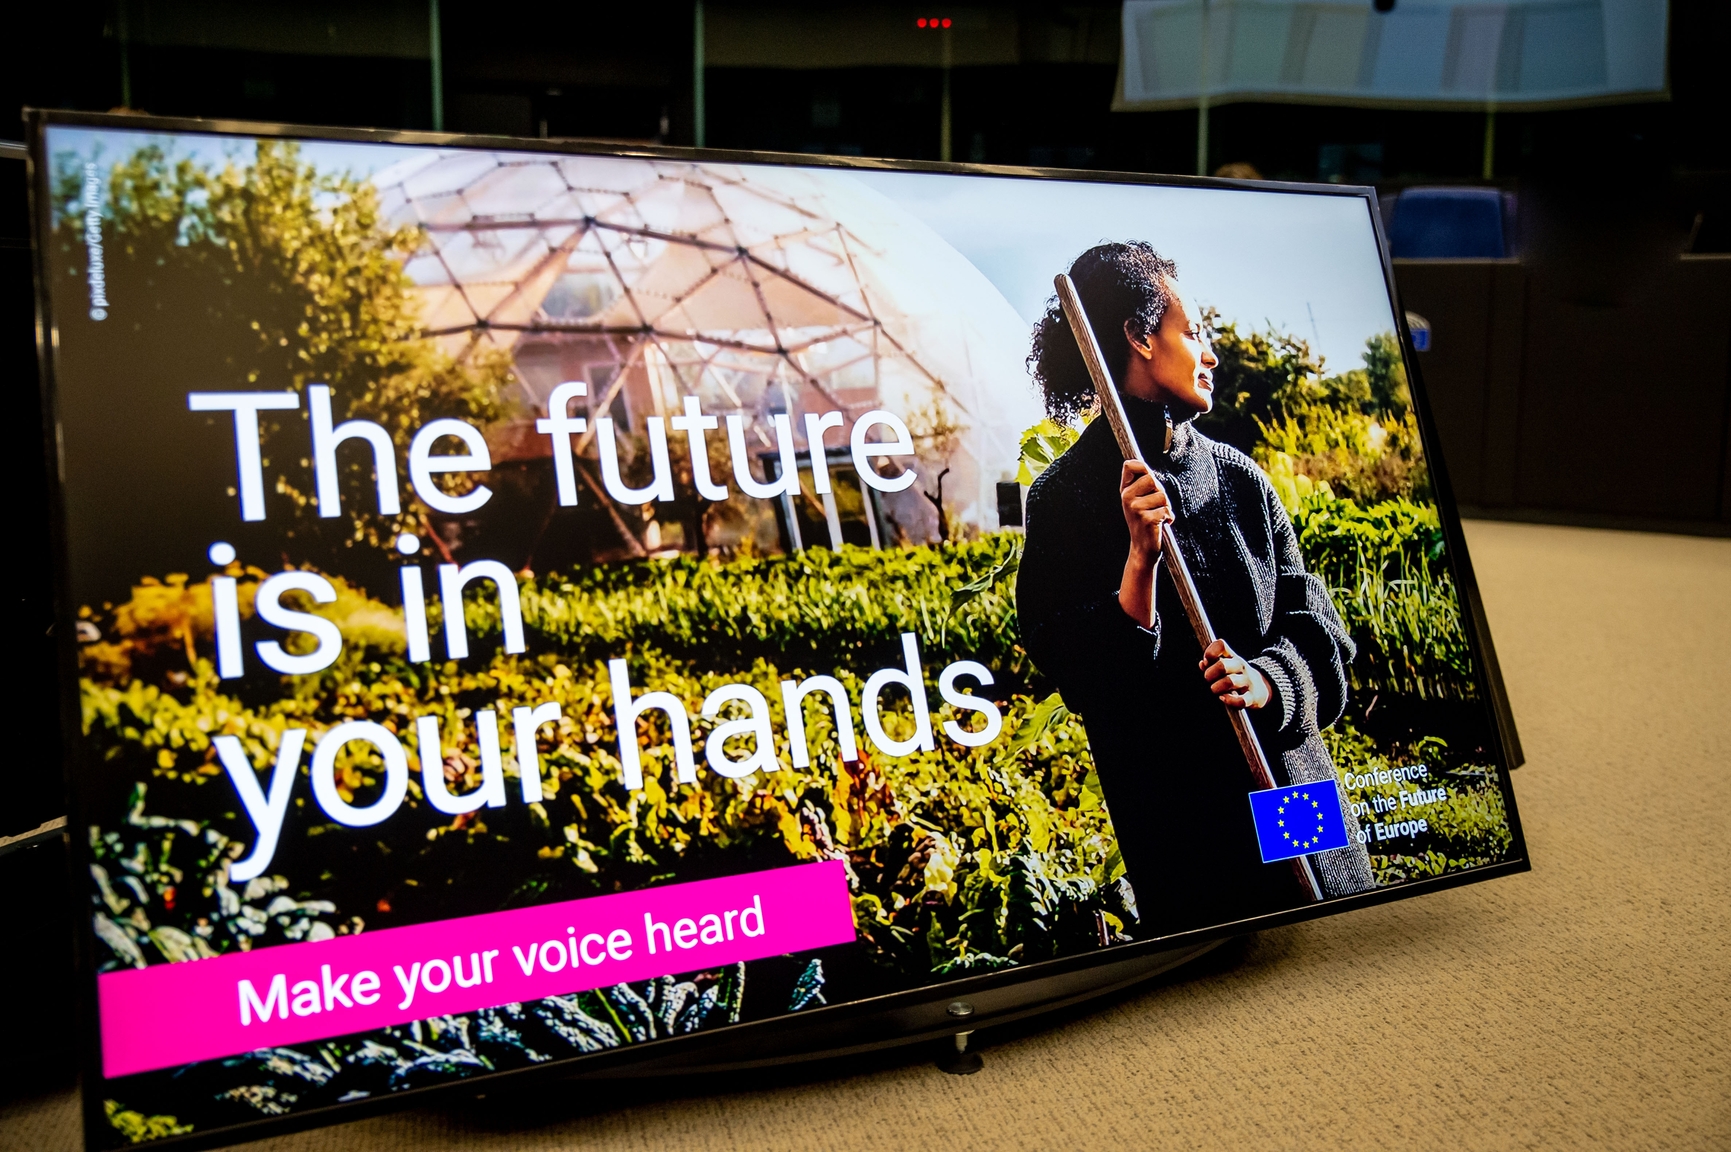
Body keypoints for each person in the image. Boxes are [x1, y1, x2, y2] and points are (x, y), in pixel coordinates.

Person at [1017, 241, 1374, 936]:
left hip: (1293, 789)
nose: (1208, 353)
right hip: (1185, 825)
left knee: (1337, 936)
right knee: (1233, 1000)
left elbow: (1321, 634)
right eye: (1194, 331)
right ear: (1139, 336)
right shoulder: (1063, 500)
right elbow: (1087, 680)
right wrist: (1140, 562)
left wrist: (1266, 681)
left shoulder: (1239, 479)